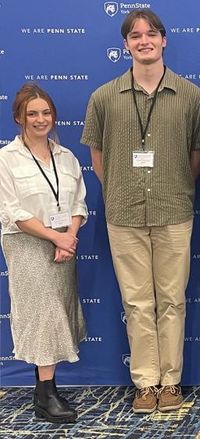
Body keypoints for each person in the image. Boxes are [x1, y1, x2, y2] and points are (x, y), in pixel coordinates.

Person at [81, 8, 200, 413]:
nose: (143, 41)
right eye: (135, 36)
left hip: (174, 210)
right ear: (126, 45)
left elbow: (197, 156)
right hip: (125, 214)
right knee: (136, 303)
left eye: (151, 34)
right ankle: (145, 383)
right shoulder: (103, 97)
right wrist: (120, 188)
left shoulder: (191, 96)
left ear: (164, 40)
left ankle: (171, 382)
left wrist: (175, 188)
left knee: (172, 300)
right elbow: (98, 156)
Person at [0, 83, 88, 423]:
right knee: (43, 312)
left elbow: (79, 202)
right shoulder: (7, 159)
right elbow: (12, 212)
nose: (40, 119)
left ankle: (47, 386)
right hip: (27, 243)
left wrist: (69, 237)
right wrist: (55, 237)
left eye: (46, 112)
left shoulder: (66, 157)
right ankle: (45, 394)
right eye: (32, 113)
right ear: (19, 117)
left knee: (59, 310)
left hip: (64, 244)